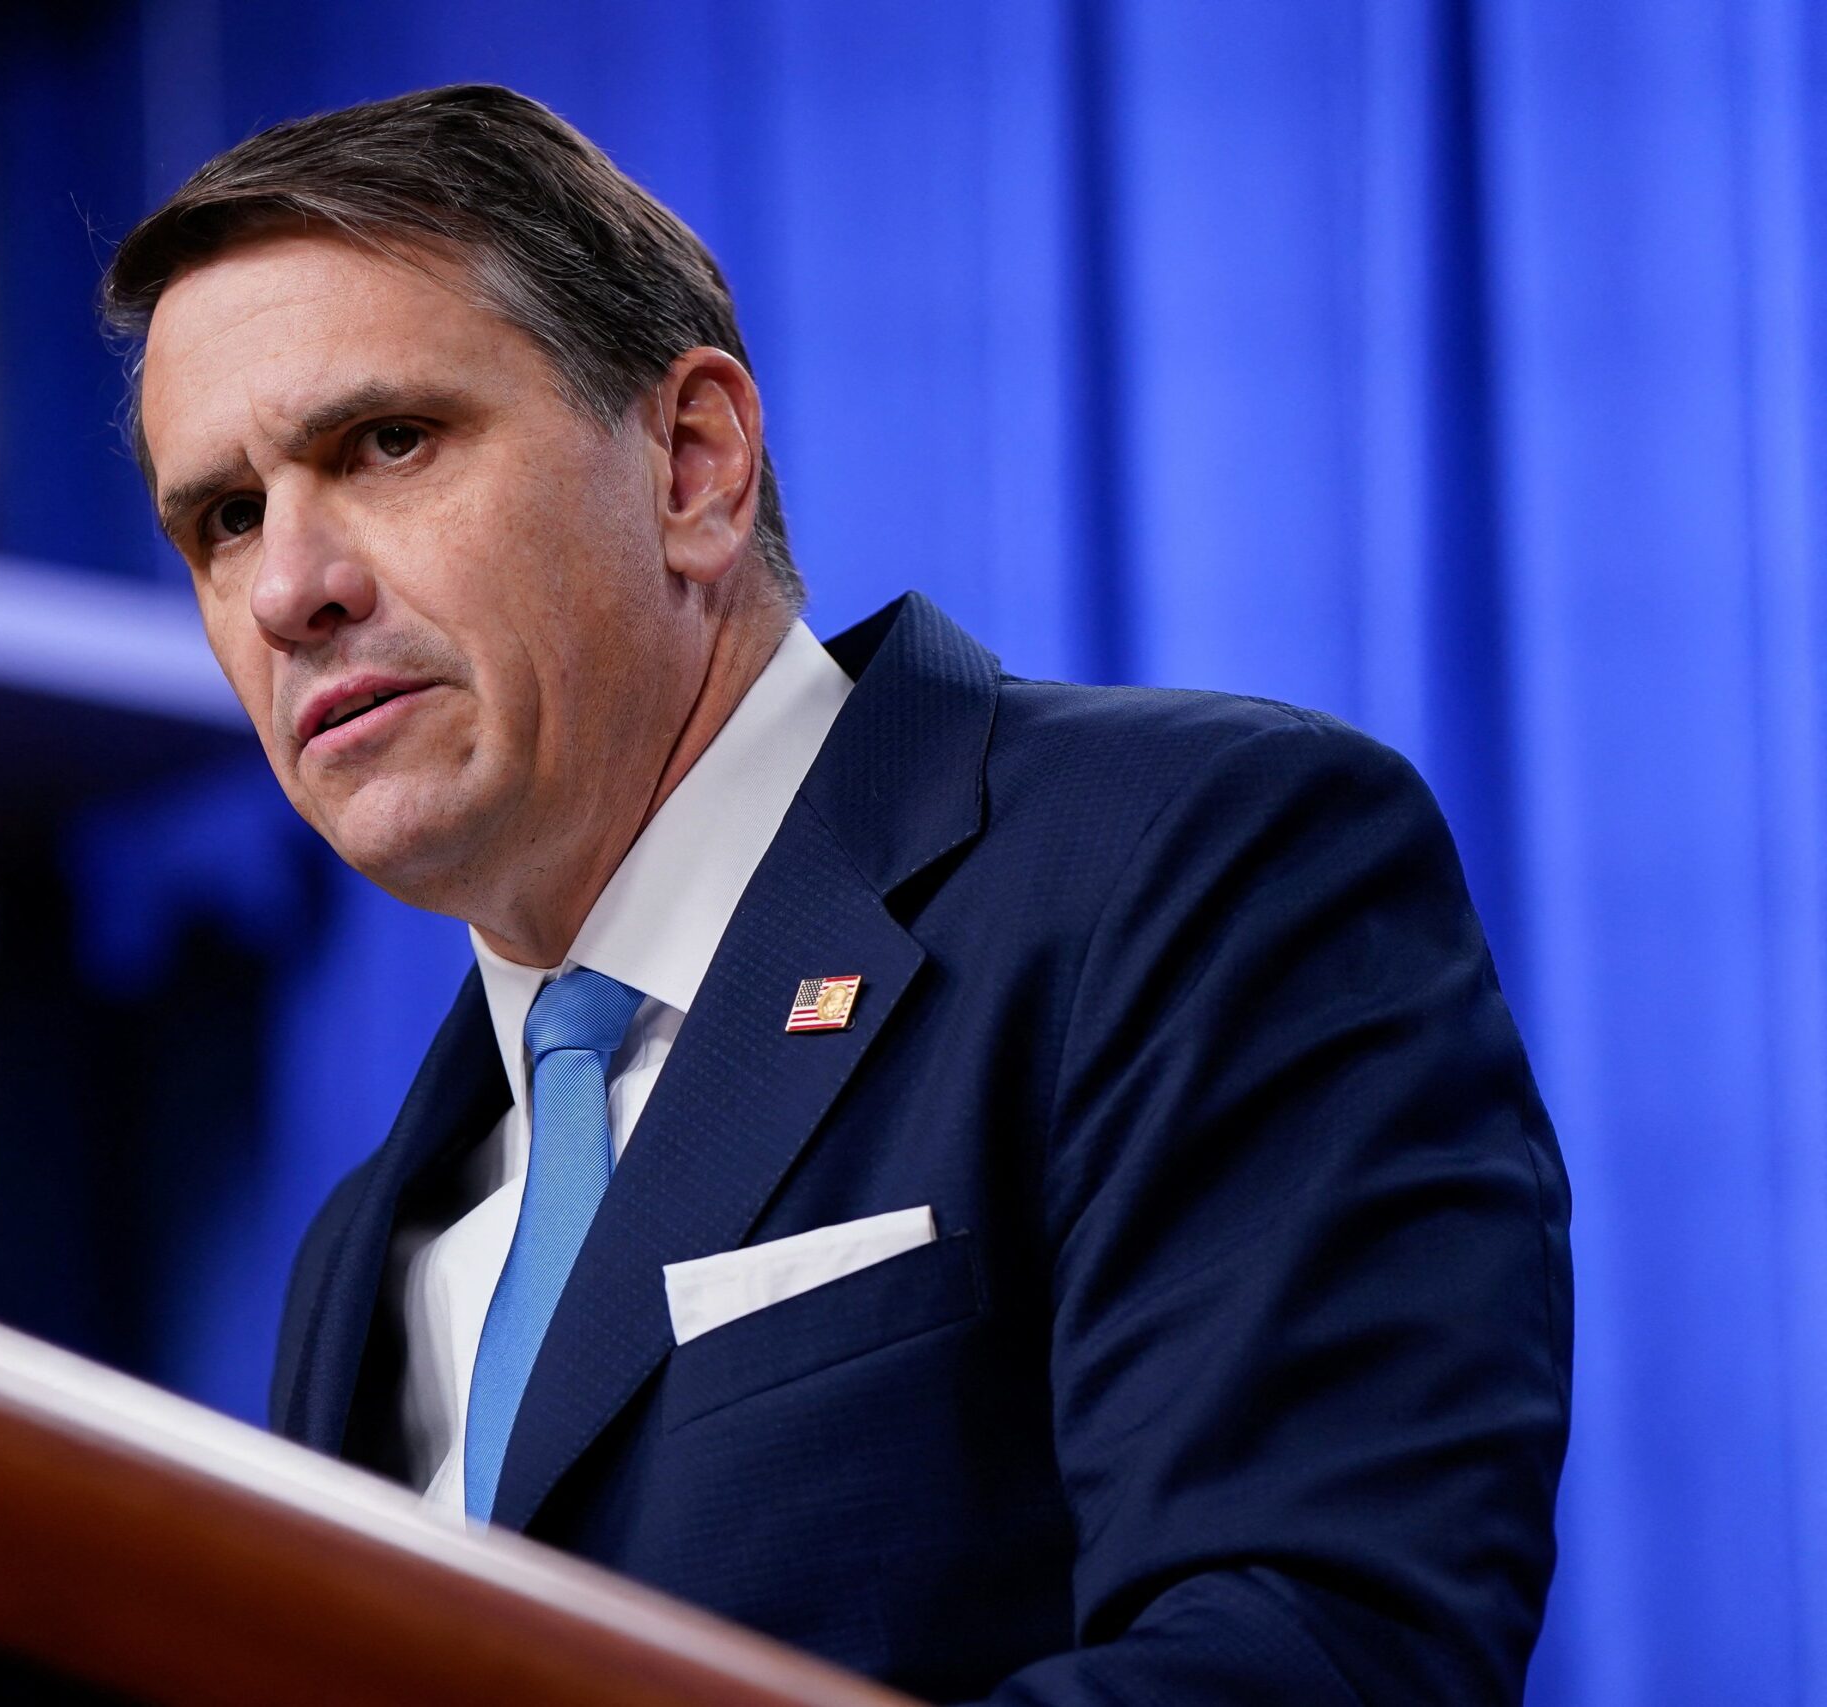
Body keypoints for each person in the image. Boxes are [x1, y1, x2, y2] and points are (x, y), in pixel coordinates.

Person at [105, 83, 1571, 1706]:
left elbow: (1321, 1651)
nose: (295, 587)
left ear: (694, 466)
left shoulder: (1187, 864)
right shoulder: (360, 1249)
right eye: (225, 520)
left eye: (387, 443)